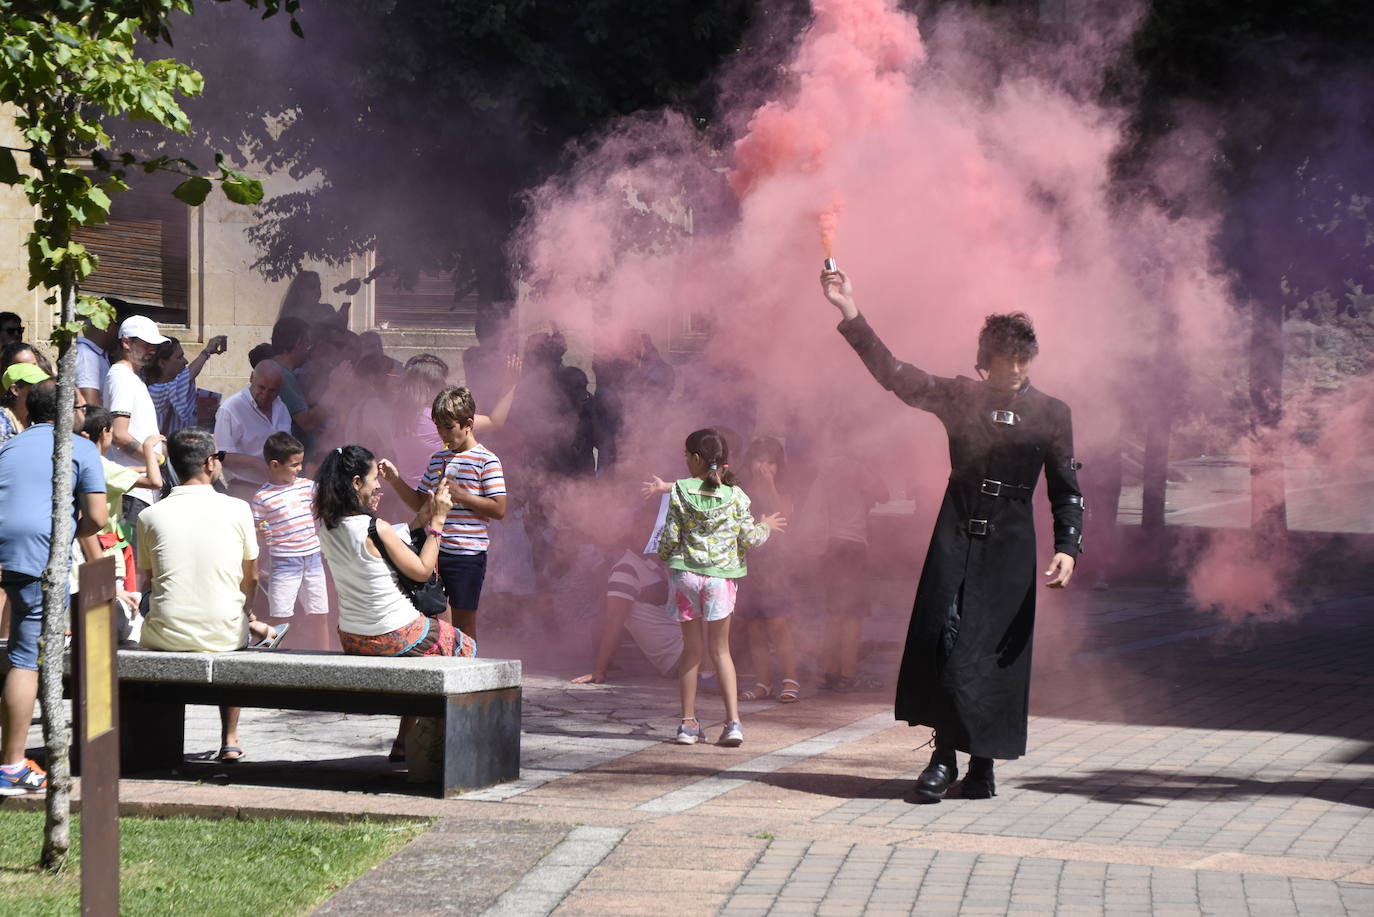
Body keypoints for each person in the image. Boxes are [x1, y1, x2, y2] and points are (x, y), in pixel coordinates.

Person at [819, 268, 1083, 803]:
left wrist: (1068, 546)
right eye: (1005, 362)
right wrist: (850, 311)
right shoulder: (961, 397)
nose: (1014, 371)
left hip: (1011, 546)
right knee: (945, 640)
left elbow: (1066, 487)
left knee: (993, 654)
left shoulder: (1053, 414)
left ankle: (982, 766)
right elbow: (895, 373)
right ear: (986, 361)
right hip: (956, 530)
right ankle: (943, 757)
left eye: (1023, 361)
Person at [316, 445, 473, 760]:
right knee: (461, 647)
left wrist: (429, 508)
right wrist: (438, 521)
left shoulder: (328, 528)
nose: (378, 486)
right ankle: (432, 745)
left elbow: (397, 540)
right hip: (393, 634)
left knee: (429, 655)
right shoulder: (376, 528)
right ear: (357, 483)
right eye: (375, 479)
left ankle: (403, 741)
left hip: (353, 637)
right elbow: (422, 569)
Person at [137, 428, 284, 762]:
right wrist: (248, 615)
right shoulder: (238, 509)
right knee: (232, 631)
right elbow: (253, 577)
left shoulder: (149, 515)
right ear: (209, 464)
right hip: (225, 632)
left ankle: (156, 743)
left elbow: (152, 581)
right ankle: (230, 739)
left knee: (157, 604)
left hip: (166, 634)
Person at [0, 380, 108, 793]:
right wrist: (62, 531)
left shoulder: (11, 444)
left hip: (7, 553)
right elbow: (97, 518)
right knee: (26, 659)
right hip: (38, 555)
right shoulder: (78, 447)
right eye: (81, 406)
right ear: (70, 412)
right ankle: (12, 766)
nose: (85, 412)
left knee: (15, 651)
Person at [652, 428, 785, 748]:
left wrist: (665, 559)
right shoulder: (738, 497)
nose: (684, 460)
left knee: (692, 651)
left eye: (686, 455)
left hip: (686, 578)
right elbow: (749, 539)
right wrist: (766, 526)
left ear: (696, 459)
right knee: (721, 651)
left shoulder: (680, 491)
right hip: (720, 582)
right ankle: (733, 723)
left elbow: (669, 538)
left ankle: (687, 725)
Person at [380, 387, 506, 638]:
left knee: (464, 620)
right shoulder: (437, 459)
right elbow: (420, 505)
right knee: (431, 617)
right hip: (433, 552)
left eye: (449, 427)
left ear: (468, 424)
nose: (443, 434)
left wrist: (463, 496)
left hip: (467, 553)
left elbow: (499, 509)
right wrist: (395, 480)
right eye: (439, 427)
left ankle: (468, 671)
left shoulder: (487, 460)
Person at [733, 437, 802, 704]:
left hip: (777, 564)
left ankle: (790, 679)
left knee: (778, 623)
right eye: (760, 460)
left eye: (771, 462)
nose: (765, 467)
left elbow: (783, 514)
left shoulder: (784, 488)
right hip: (749, 563)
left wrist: (769, 485)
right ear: (750, 462)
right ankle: (763, 681)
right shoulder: (741, 489)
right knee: (754, 626)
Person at [78, 406, 163, 612]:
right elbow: (155, 481)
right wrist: (149, 449)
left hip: (81, 552)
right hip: (105, 553)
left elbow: (121, 471)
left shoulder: (86, 461)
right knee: (113, 614)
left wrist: (140, 468)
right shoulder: (105, 468)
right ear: (106, 433)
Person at [251, 432, 328, 648]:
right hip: (283, 561)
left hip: (312, 558)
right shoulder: (262, 497)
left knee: (319, 611)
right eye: (294, 464)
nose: (299, 469)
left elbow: (324, 505)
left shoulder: (308, 487)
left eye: (300, 463)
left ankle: (324, 655)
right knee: (280, 615)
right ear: (275, 465)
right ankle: (277, 656)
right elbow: (257, 527)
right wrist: (261, 532)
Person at [105, 315, 170, 542]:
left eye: (155, 345)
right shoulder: (121, 376)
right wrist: (158, 459)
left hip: (139, 489)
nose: (152, 349)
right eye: (146, 343)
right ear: (126, 342)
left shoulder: (131, 377)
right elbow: (119, 434)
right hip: (132, 490)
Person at [214, 360, 291, 493]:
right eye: (261, 387)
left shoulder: (281, 408)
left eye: (272, 391)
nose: (265, 395)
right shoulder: (230, 409)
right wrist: (256, 463)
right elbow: (222, 457)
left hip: (278, 487)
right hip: (244, 487)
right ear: (251, 378)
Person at [143, 334, 228, 435]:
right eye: (179, 357)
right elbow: (184, 379)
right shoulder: (152, 391)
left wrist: (213, 415)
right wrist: (206, 352)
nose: (185, 361)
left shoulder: (183, 391)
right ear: (162, 363)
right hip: (162, 449)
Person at [1, 362, 49, 443]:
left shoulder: (37, 419)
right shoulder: (2, 422)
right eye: (36, 385)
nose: (42, 390)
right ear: (15, 390)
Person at [75, 317, 116, 407]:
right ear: (108, 325)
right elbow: (91, 404)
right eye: (119, 327)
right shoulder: (87, 355)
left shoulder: (98, 354)